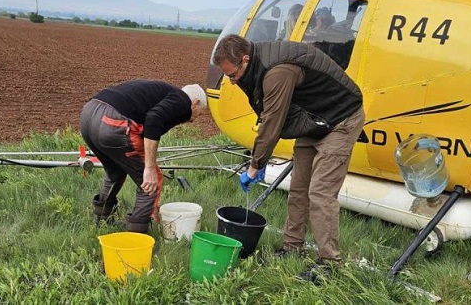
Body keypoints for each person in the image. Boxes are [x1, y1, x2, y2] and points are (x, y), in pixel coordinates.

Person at [212, 34, 365, 283]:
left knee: (320, 193)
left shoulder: (277, 71)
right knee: (298, 189)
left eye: (233, 75)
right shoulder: (256, 64)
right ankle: (292, 247)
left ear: (245, 59)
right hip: (313, 120)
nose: (232, 81)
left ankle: (330, 263)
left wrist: (255, 164)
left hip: (340, 119)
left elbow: (272, 122)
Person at [80, 80, 206, 233]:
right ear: (195, 102)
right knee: (151, 181)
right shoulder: (182, 100)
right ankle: (137, 237)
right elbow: (154, 119)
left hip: (89, 115)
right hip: (112, 123)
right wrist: (150, 168)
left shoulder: (165, 93)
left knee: (115, 171)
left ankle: (102, 222)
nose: (194, 120)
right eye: (199, 113)